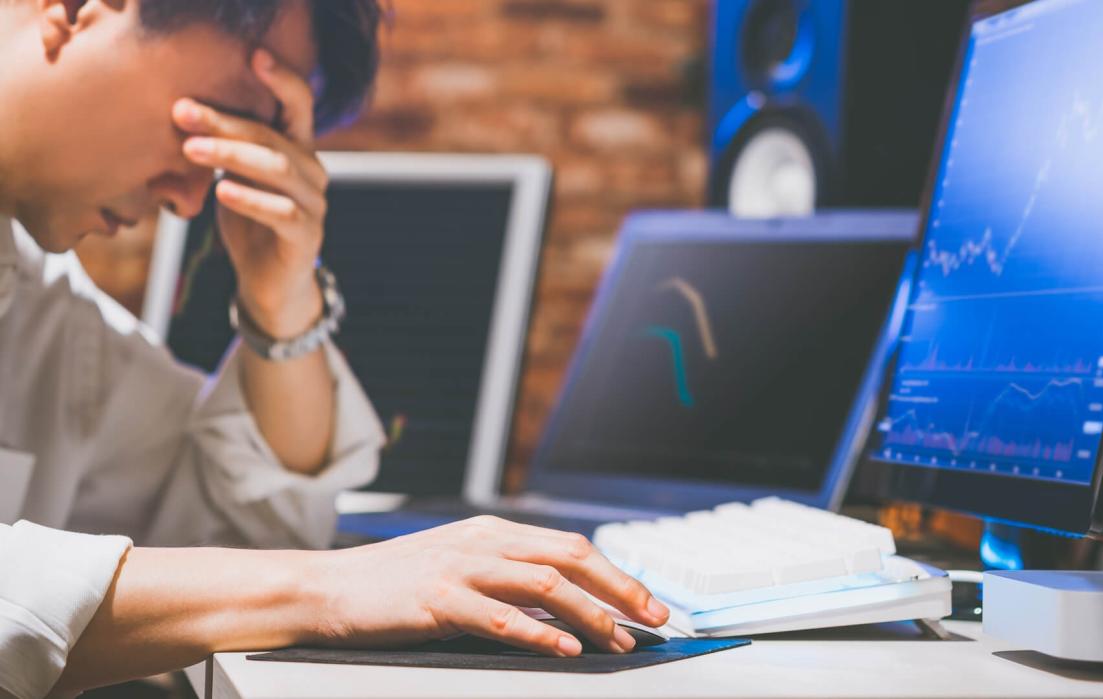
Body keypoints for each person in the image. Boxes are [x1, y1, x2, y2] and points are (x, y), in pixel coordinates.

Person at [0, 1, 670, 697]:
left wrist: (281, 306)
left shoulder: (45, 310)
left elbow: (245, 544)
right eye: (209, 117)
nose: (192, 201)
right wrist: (334, 586)